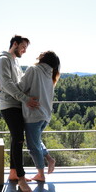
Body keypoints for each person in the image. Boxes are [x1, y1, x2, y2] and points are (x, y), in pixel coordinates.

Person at [0, 35, 39, 192]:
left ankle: (13, 173)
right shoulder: (3, 59)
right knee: (19, 139)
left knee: (17, 139)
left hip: (17, 105)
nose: (25, 50)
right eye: (23, 47)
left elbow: (19, 84)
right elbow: (6, 84)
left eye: (26, 48)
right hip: (9, 106)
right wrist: (26, 99)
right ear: (15, 44)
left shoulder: (15, 61)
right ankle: (21, 178)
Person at [18, 51, 60, 182]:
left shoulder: (34, 69)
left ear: (42, 58)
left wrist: (5, 86)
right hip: (45, 115)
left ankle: (41, 174)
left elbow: (21, 87)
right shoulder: (51, 75)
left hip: (33, 114)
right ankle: (49, 159)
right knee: (36, 141)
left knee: (32, 146)